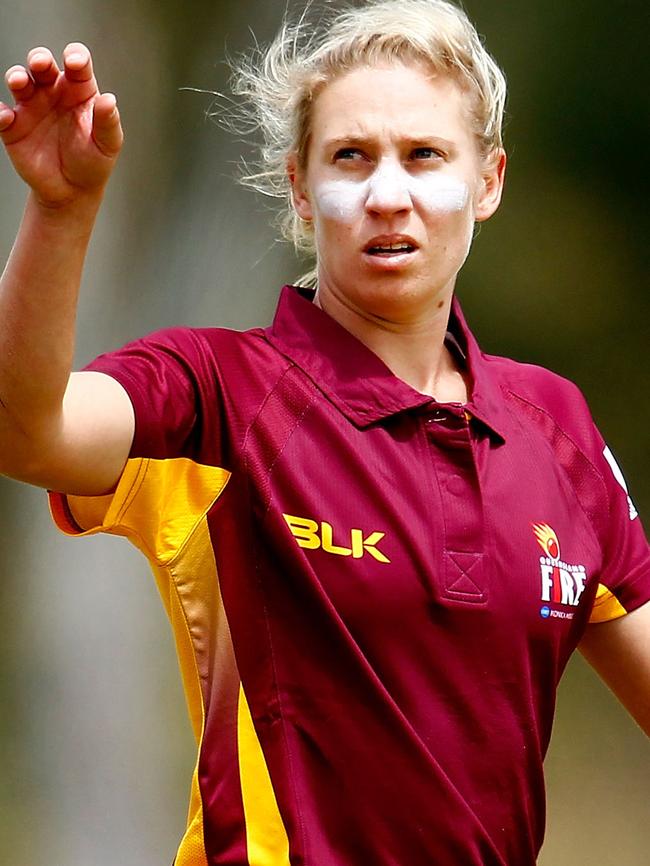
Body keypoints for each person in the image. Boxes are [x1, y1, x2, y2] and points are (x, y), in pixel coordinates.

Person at [0, 1, 648, 864]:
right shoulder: (221, 392)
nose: (388, 195)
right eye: (352, 157)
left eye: (424, 156)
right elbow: (27, 432)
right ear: (301, 188)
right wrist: (61, 210)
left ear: (488, 181)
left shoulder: (555, 425)